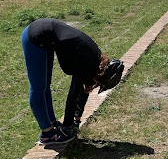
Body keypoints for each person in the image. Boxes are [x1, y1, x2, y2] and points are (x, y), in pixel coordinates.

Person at [21, 18, 124, 146]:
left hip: (47, 37)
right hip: (34, 37)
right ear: (101, 77)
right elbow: (73, 95)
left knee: (45, 86)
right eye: (100, 84)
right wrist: (68, 125)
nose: (97, 85)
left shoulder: (96, 61)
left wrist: (76, 120)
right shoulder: (86, 62)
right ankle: (47, 134)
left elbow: (83, 90)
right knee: (38, 87)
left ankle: (52, 124)